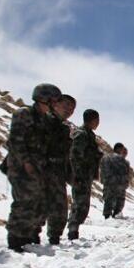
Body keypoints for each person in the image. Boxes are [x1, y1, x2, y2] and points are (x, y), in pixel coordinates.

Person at [6, 83, 60, 252]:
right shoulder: (24, 114)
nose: (55, 104)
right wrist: (26, 163)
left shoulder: (46, 120)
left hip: (39, 169)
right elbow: (16, 141)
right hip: (22, 168)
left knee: (40, 203)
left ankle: (31, 234)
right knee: (24, 203)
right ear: (44, 99)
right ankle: (16, 239)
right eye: (53, 101)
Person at [42, 94, 76, 245]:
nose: (69, 110)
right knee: (35, 207)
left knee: (60, 209)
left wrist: (70, 176)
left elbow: (66, 155)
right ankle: (25, 240)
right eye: (66, 105)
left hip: (58, 173)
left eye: (72, 108)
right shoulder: (43, 121)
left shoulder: (64, 128)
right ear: (55, 104)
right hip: (41, 171)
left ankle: (54, 238)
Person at [66, 109, 102, 241]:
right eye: (97, 120)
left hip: (86, 175)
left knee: (83, 204)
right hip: (80, 175)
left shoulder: (89, 135)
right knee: (79, 203)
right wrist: (77, 175)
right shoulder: (81, 134)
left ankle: (74, 229)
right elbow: (75, 156)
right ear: (92, 120)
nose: (98, 123)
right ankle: (72, 230)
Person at [100, 143, 130, 219]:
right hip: (114, 185)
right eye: (122, 149)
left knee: (113, 203)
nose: (124, 151)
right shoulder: (109, 158)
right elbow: (105, 170)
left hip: (114, 185)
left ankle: (110, 217)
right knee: (113, 203)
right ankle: (109, 218)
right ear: (118, 149)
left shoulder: (107, 157)